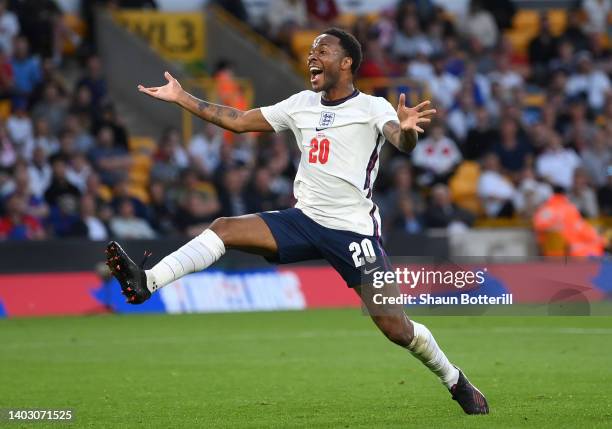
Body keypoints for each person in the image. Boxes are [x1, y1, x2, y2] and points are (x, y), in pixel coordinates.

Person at [106, 28, 488, 414]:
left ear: (346, 62)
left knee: (396, 328)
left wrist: (407, 133)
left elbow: (399, 139)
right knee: (224, 228)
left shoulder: (374, 108)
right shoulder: (301, 103)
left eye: (322, 50)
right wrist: (181, 97)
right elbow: (239, 121)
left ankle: (455, 380)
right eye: (310, 51)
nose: (312, 57)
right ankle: (147, 282)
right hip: (304, 219)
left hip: (354, 234)